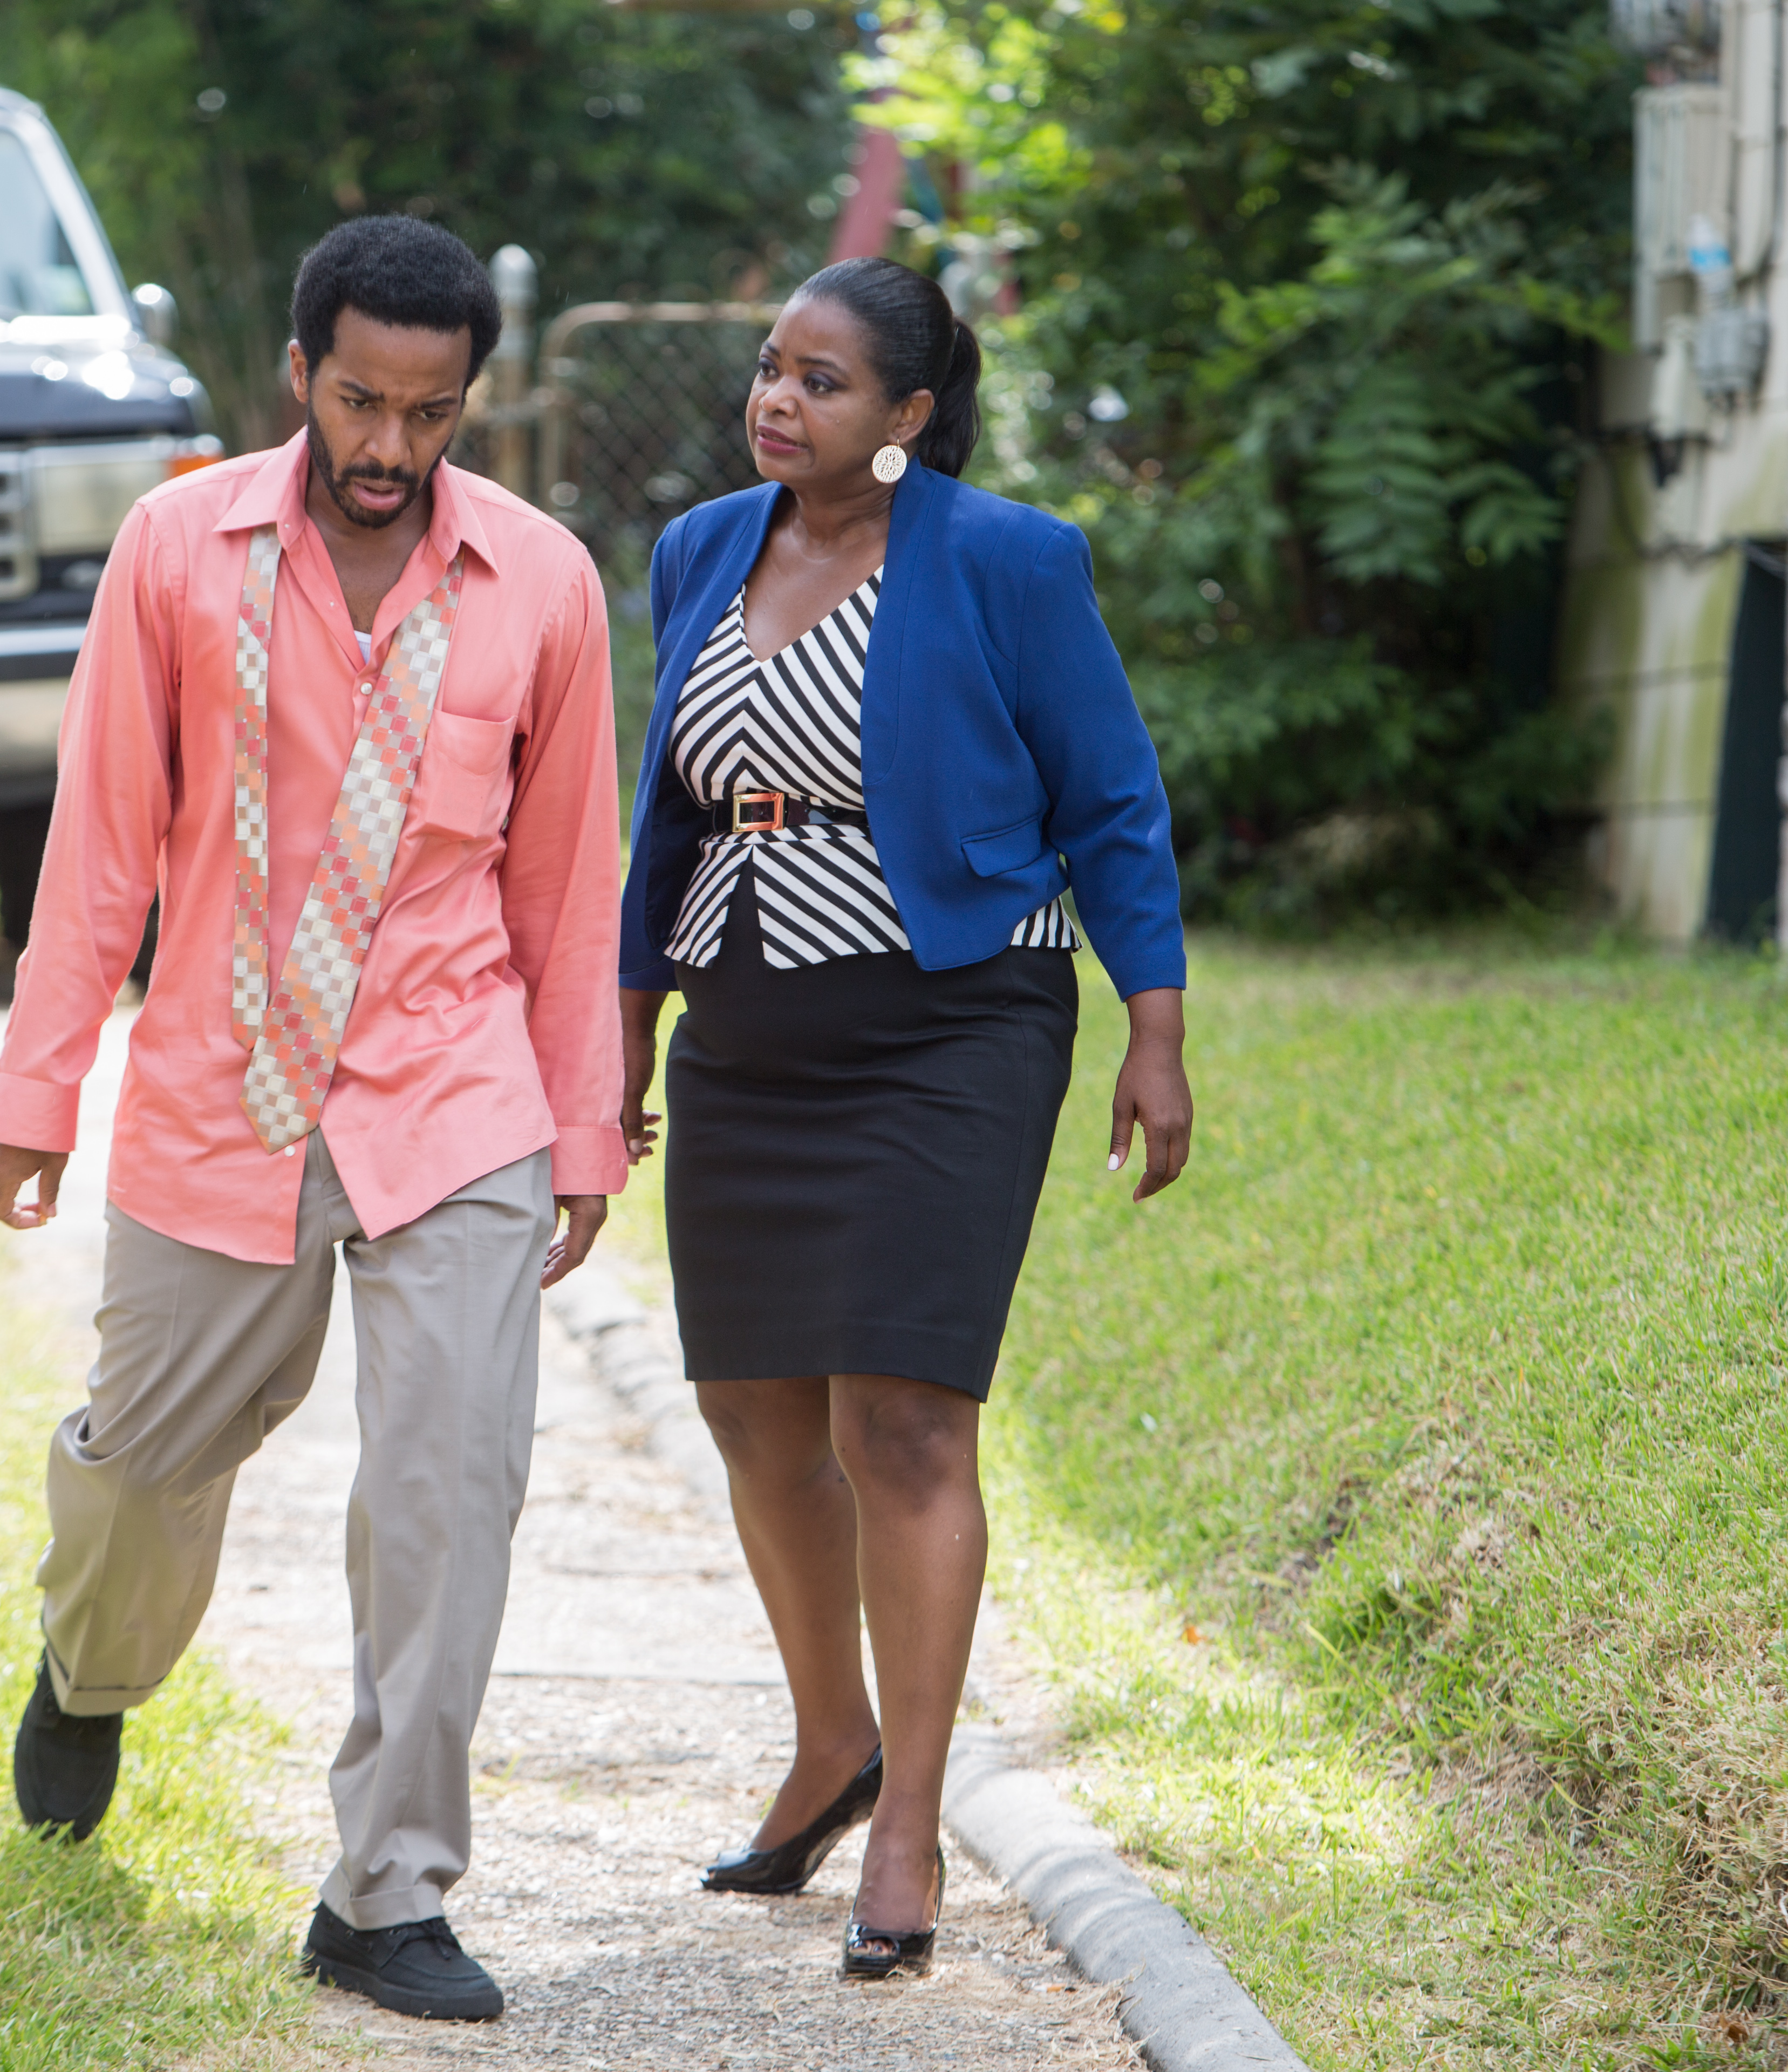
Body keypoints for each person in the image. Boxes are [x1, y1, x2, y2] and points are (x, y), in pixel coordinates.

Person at [0, 215, 624, 2025]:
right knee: (143, 1466)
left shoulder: (544, 583)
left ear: (472, 399)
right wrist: (40, 1087)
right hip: (220, 1088)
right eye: (359, 400)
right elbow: (101, 845)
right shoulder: (180, 548)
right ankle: (90, 1676)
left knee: (450, 1488)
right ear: (297, 375)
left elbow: (570, 891)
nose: (390, 447)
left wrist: (583, 1132)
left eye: (429, 411)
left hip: (454, 1093)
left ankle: (384, 1894)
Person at [616, 257, 1192, 1981]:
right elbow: (666, 818)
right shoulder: (703, 549)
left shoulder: (1010, 560)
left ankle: (914, 1824)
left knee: (908, 1428)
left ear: (913, 415)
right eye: (771, 370)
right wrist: (625, 1043)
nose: (778, 403)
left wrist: (1152, 1036)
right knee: (751, 1415)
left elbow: (1113, 801)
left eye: (826, 383)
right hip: (749, 1028)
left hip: (954, 1026)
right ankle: (828, 1741)